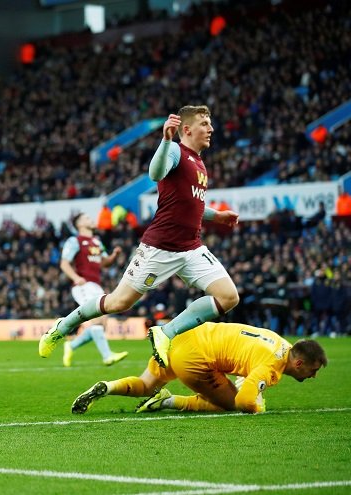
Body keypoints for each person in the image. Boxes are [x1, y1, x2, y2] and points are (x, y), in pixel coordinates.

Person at [39, 106, 240, 368]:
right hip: (160, 247)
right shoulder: (177, 152)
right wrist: (166, 140)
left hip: (191, 248)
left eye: (210, 123)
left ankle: (166, 332)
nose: (211, 128)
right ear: (187, 129)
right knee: (118, 302)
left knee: (229, 297)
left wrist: (217, 216)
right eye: (204, 123)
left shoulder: (200, 163)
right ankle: (62, 326)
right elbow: (155, 174)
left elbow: (191, 205)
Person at [70, 321, 326, 415]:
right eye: (313, 371)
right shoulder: (274, 363)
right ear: (299, 363)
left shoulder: (281, 343)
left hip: (182, 338)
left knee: (145, 384)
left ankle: (107, 386)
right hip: (196, 358)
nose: (313, 377)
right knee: (229, 404)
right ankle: (167, 402)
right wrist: (258, 402)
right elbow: (246, 400)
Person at [54, 213, 128, 367]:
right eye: (87, 218)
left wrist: (114, 256)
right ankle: (107, 356)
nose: (91, 219)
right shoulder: (74, 241)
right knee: (96, 320)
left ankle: (71, 346)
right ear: (79, 224)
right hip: (83, 285)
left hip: (96, 285)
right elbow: (64, 263)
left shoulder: (97, 242)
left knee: (102, 322)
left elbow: (104, 263)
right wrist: (75, 278)